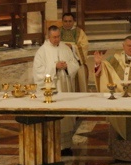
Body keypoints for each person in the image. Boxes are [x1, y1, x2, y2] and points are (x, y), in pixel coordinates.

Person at [34, 25, 79, 154]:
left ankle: (66, 145)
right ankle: (52, 145)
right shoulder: (42, 51)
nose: (56, 39)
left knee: (65, 117)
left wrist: (66, 66)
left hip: (65, 86)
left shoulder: (65, 48)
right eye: (54, 37)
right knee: (54, 116)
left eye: (58, 36)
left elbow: (75, 64)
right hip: (52, 88)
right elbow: (38, 71)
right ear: (48, 36)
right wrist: (54, 67)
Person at [60, 12, 90, 92]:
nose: (68, 23)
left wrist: (72, 47)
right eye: (65, 21)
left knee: (79, 82)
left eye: (70, 21)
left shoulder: (79, 32)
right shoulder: (58, 32)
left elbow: (84, 46)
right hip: (62, 62)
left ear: (73, 22)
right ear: (62, 21)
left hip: (76, 60)